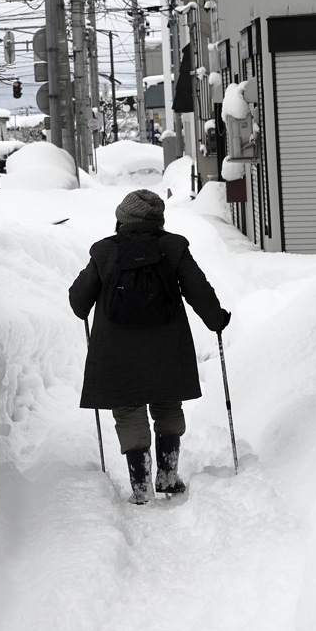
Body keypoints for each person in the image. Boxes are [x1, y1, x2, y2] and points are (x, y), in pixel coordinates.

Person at [68, 189, 230, 504]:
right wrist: (217, 320)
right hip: (167, 344)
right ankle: (168, 476)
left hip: (116, 348)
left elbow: (78, 303)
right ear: (158, 219)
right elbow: (198, 289)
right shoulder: (174, 246)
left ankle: (141, 487)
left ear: (122, 219)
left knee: (128, 410)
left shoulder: (104, 251)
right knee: (168, 404)